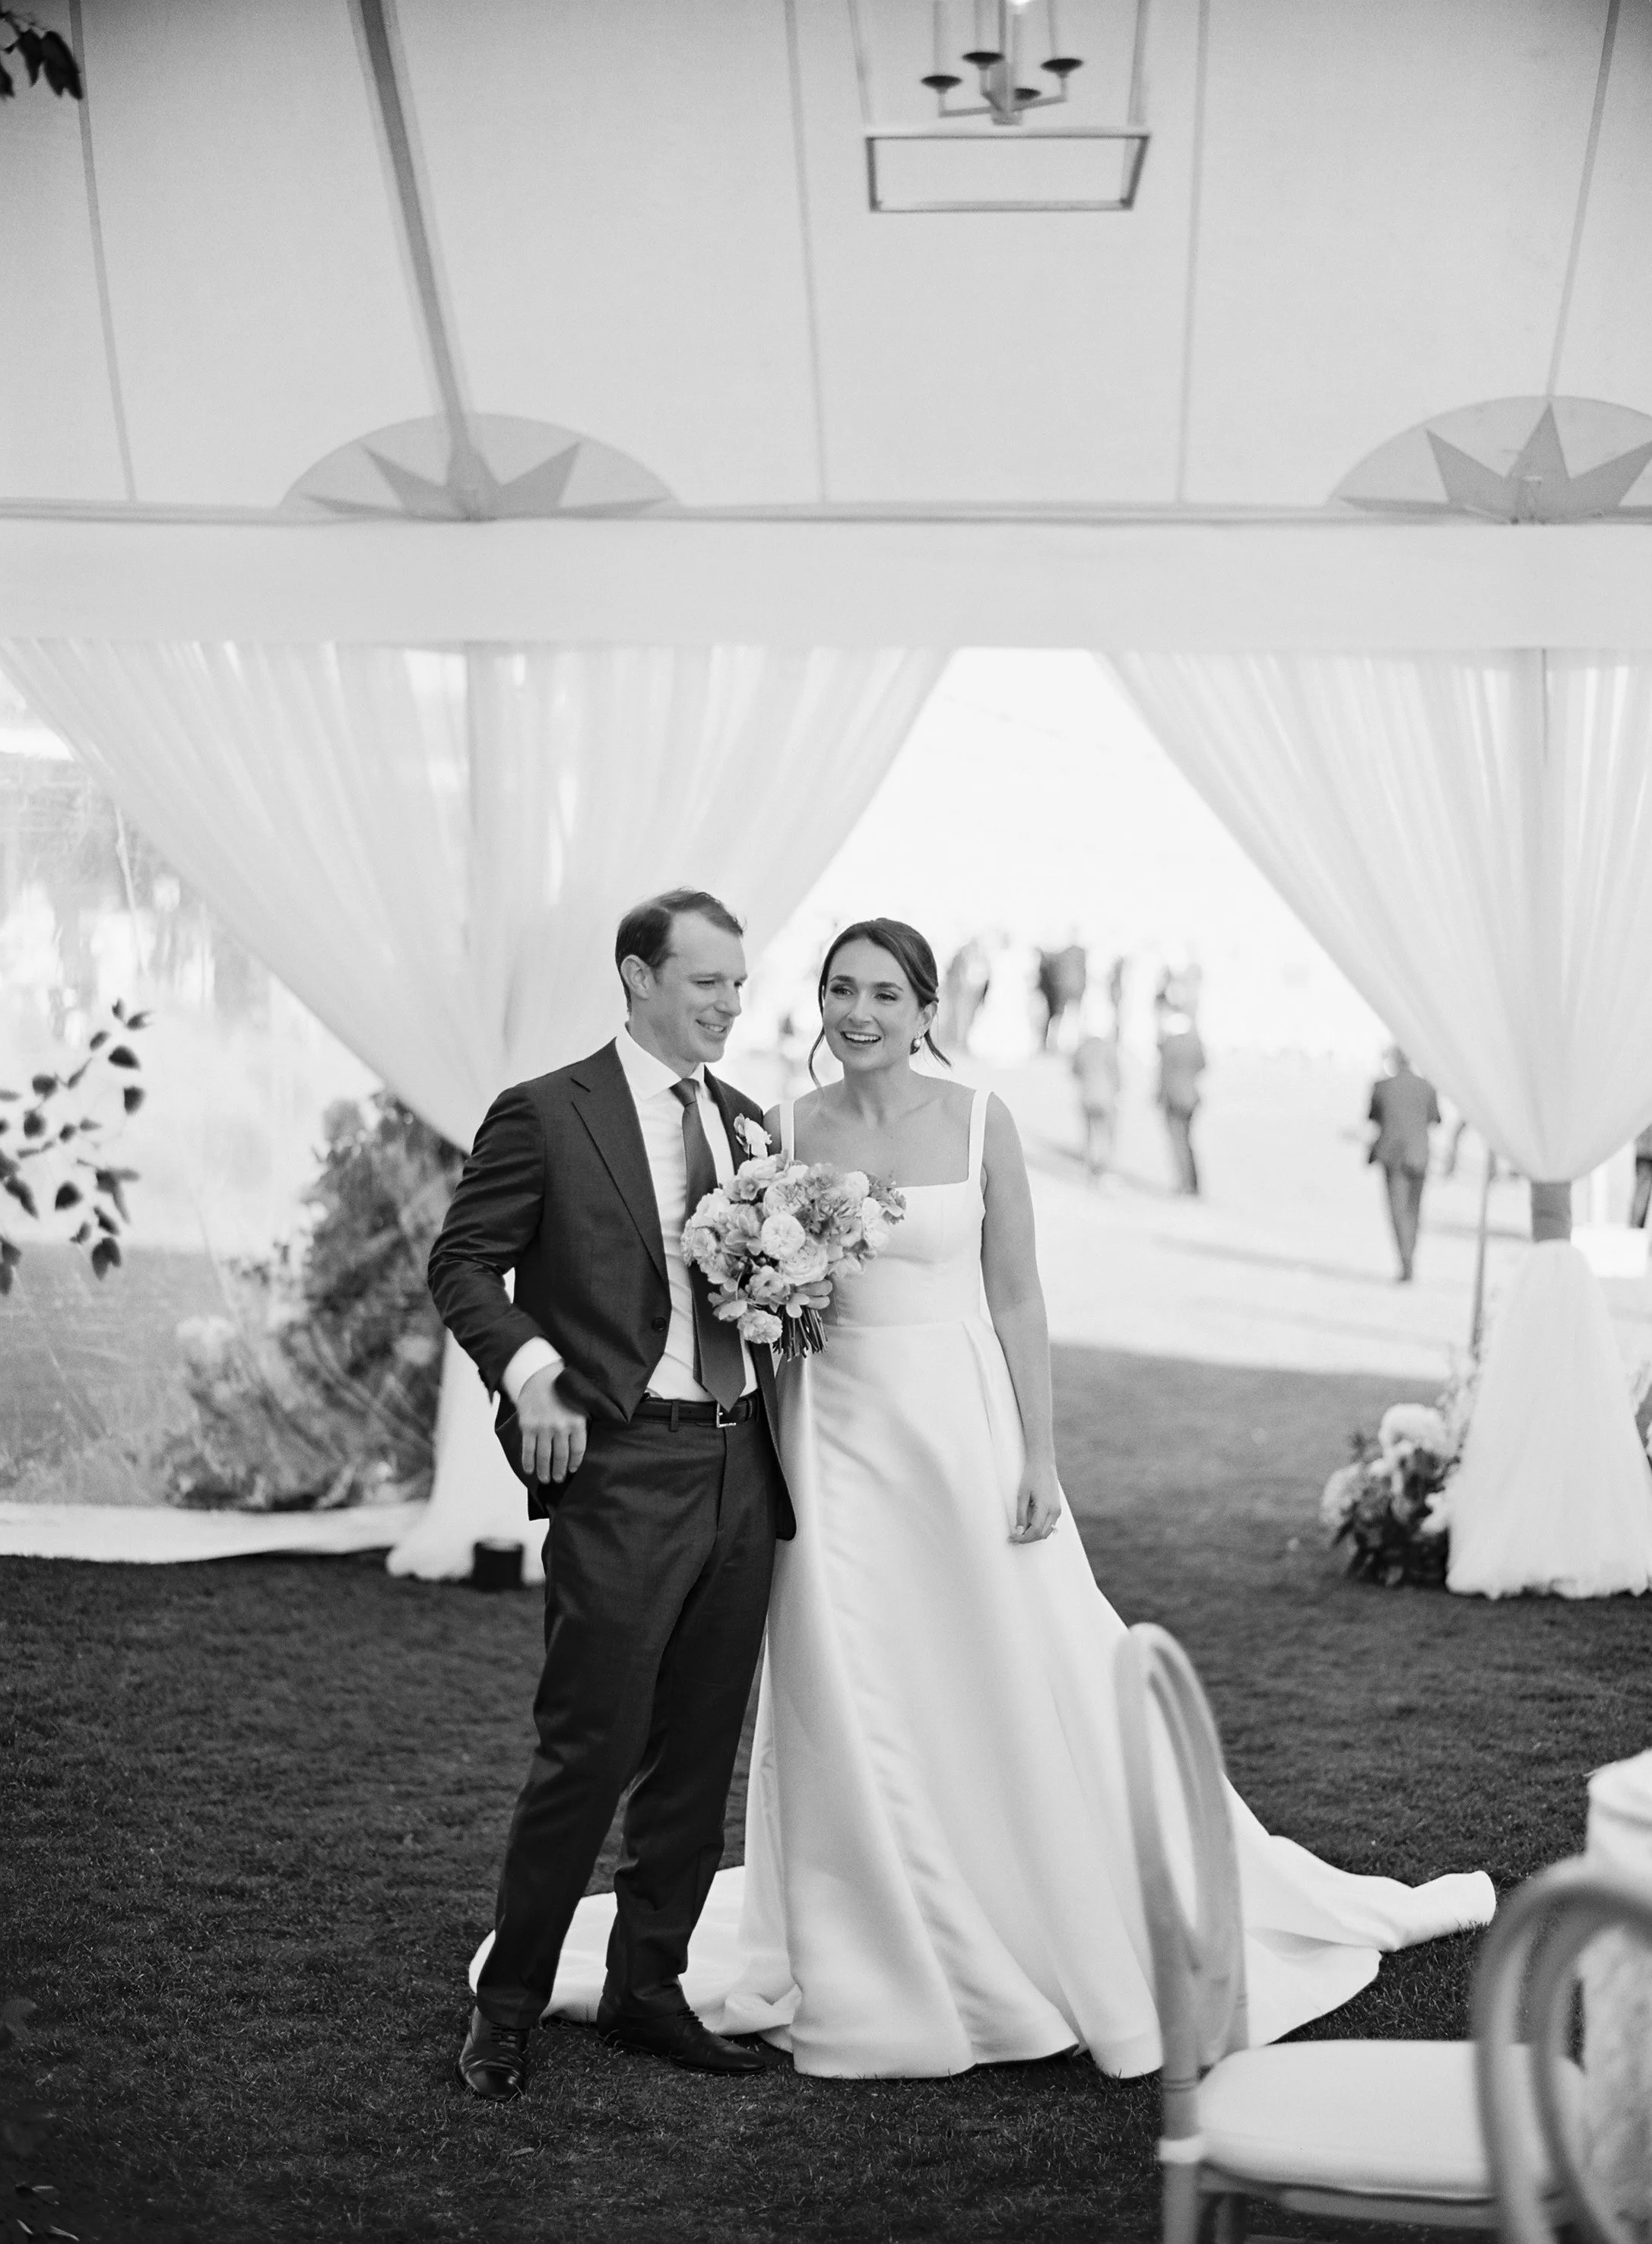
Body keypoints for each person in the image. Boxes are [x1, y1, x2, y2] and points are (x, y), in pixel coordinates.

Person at [517, 918, 1493, 2078]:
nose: (859, 1012)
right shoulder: (775, 1127)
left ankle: (1028, 1897)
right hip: (827, 1443)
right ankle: (864, 1931)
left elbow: (1019, 1298)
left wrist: (1038, 1455)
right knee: (847, 1678)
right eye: (840, 989)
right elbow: (725, 1292)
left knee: (1007, 1661)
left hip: (962, 1431)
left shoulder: (984, 1120)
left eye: (885, 992)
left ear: (928, 1010)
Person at [428, 889, 807, 2101]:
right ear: (639, 977)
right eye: (706, 982)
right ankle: (507, 2006)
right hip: (623, 1467)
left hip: (743, 1467)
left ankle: (649, 1990)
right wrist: (531, 1372)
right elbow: (463, 1263)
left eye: (738, 984)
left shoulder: (746, 1126)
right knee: (589, 1749)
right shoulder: (546, 1112)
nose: (729, 1004)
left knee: (697, 1758)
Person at [1367, 1045, 1441, 1281]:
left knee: (1398, 1211)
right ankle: (1409, 1259)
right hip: (1419, 1156)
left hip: (1393, 1157)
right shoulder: (1426, 1087)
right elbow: (1435, 1118)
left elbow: (1372, 1117)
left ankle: (1406, 1261)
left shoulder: (1382, 1086)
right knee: (1413, 1210)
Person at [1156, 1006, 1206, 1195]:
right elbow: (1203, 1066)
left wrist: (1159, 1096)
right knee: (1189, 1141)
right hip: (1191, 1098)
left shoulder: (1169, 1045)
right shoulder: (1195, 1045)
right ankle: (1193, 1183)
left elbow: (1163, 1074)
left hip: (1173, 1099)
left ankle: (1185, 1184)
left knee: (1178, 1142)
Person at [1070, 1025, 1121, 1182]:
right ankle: (1103, 1166)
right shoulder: (1108, 1048)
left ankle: (1090, 1166)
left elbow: (1074, 1071)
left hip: (1087, 1096)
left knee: (1090, 1133)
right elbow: (1116, 1072)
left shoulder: (1082, 1049)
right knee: (1107, 1133)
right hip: (1106, 1097)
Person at [1632, 1123, 1652, 1228]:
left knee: (1641, 1193)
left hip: (1643, 1151)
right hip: (1643, 1153)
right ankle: (1636, 1227)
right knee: (1641, 1193)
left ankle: (1635, 1227)